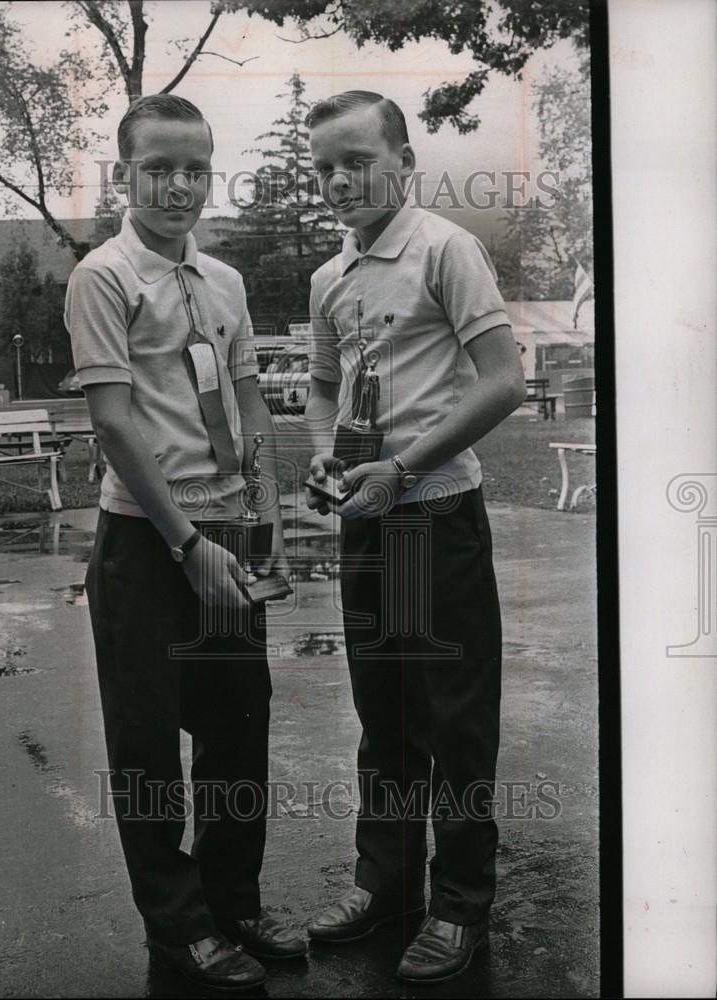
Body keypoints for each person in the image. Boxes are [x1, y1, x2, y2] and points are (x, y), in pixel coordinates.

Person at [64, 94, 306, 992]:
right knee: (147, 746)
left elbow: (248, 403)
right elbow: (114, 426)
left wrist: (264, 510)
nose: (178, 185)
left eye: (194, 168)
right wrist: (184, 544)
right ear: (125, 173)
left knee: (239, 729)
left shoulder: (227, 283)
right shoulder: (104, 278)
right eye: (157, 167)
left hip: (228, 526)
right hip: (144, 538)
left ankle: (231, 899)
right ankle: (178, 926)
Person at [303, 90, 526, 983]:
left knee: (454, 719)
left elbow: (503, 381)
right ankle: (385, 883)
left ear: (403, 161)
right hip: (368, 523)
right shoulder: (330, 278)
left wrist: (404, 467)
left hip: (434, 517)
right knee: (383, 712)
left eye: (355, 159)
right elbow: (322, 389)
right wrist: (326, 459)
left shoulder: (445, 248)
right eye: (322, 166)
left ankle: (459, 903)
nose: (339, 180)